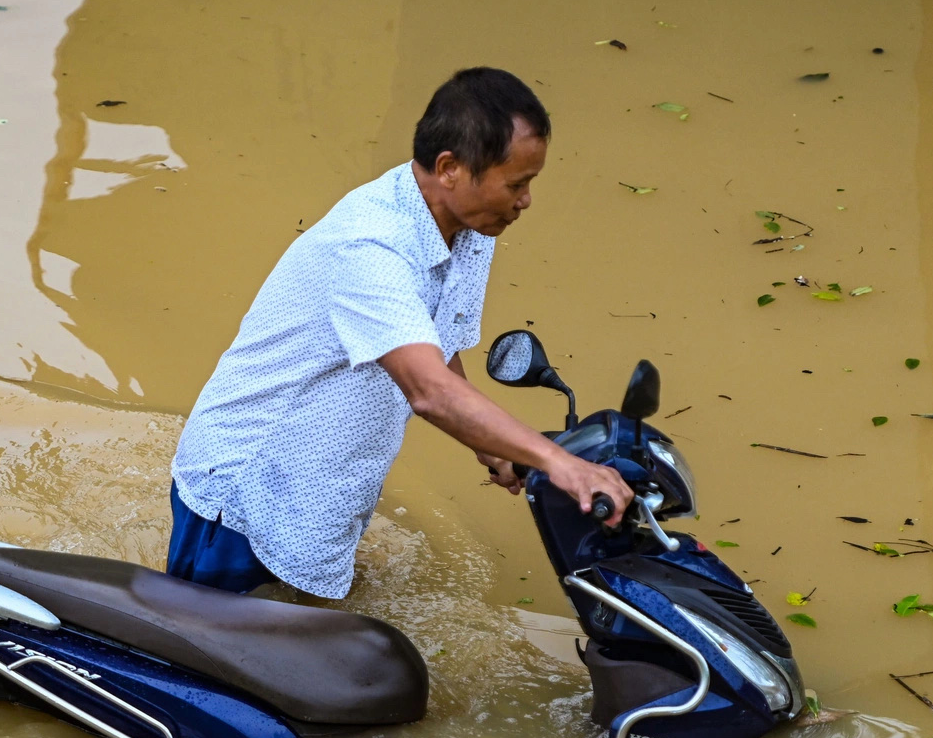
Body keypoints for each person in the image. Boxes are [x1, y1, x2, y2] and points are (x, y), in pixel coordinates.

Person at [167, 66, 633, 598]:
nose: (525, 200)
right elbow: (429, 389)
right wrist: (558, 462)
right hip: (248, 491)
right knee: (203, 656)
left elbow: (435, 345)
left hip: (327, 487)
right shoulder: (370, 245)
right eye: (517, 183)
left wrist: (499, 450)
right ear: (450, 168)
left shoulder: (471, 226)